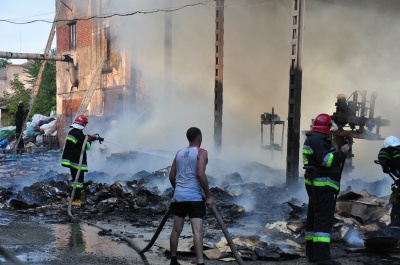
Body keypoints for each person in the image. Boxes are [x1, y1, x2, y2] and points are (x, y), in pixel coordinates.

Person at [302, 113, 350, 265]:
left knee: (313, 219)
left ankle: (312, 253)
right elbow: (327, 161)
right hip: (323, 186)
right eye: (329, 127)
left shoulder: (312, 139)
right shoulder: (317, 140)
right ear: (326, 127)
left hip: (315, 186)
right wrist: (342, 152)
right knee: (323, 220)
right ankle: (323, 258)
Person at [169, 127, 213, 265]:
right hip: (194, 197)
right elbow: (200, 174)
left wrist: (179, 189)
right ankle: (200, 262)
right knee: (197, 231)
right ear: (199, 137)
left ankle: (173, 260)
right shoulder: (201, 152)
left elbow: (171, 176)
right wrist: (209, 196)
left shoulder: (179, 153)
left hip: (179, 197)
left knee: (176, 230)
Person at [61, 115, 103, 206]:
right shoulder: (78, 134)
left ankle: (72, 196)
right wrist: (90, 140)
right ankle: (76, 200)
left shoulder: (73, 132)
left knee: (74, 180)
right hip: (77, 161)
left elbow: (80, 141)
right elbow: (86, 146)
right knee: (79, 181)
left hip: (71, 160)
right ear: (83, 123)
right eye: (85, 123)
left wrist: (90, 138)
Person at [377, 135, 400, 227]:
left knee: (397, 203)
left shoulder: (388, 150)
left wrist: (384, 165)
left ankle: (396, 227)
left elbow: (383, 155)